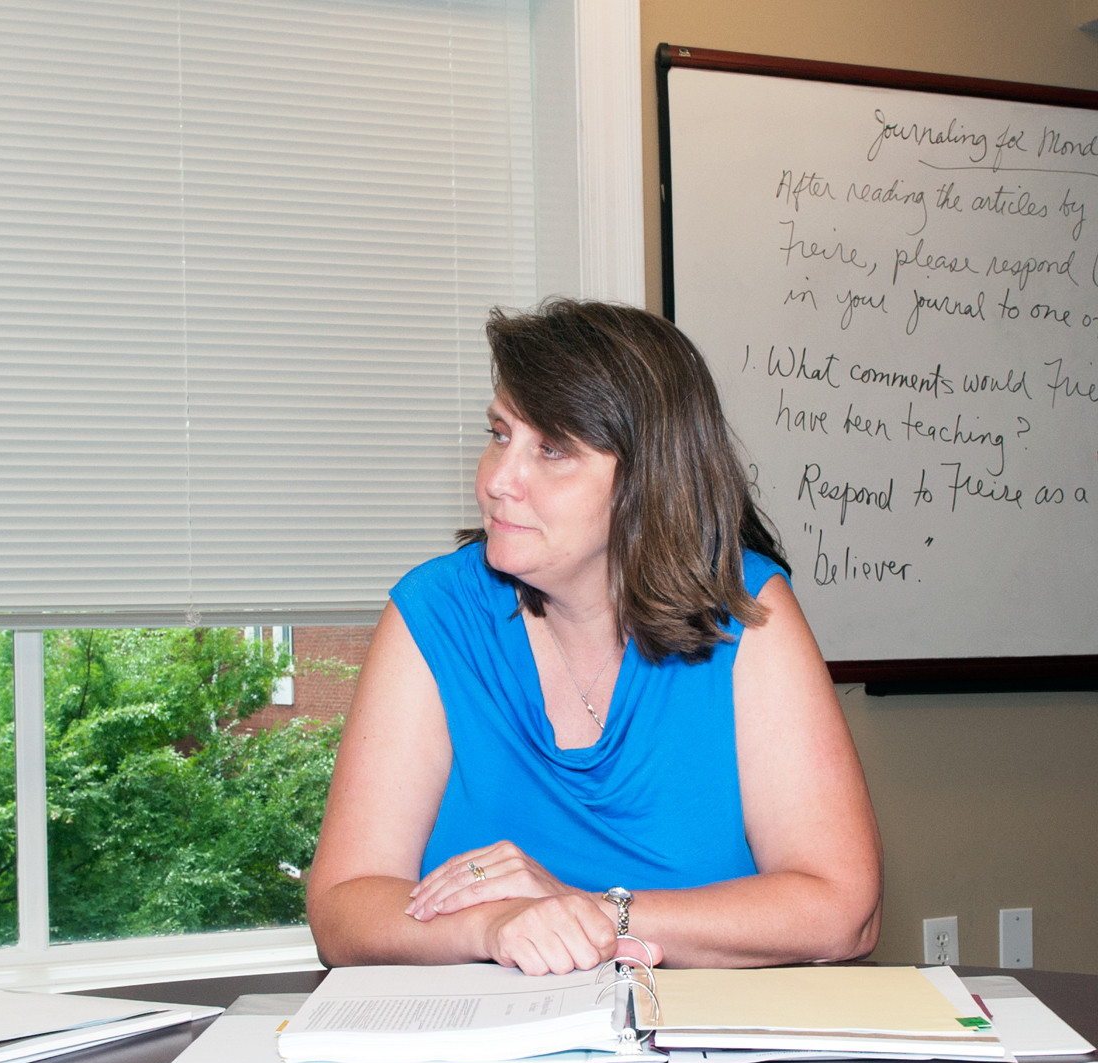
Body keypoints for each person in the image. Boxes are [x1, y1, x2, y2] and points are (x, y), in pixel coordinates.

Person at [305, 300, 881, 976]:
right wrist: (497, 923)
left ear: (646, 479)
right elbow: (342, 908)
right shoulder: (435, 613)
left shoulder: (748, 614)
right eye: (499, 433)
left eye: (551, 449)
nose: (495, 481)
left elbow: (843, 909)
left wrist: (591, 913)